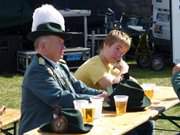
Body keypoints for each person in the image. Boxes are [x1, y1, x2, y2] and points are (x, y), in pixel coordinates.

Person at [18, 4, 108, 135]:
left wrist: (99, 94)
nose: (64, 47)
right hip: (37, 131)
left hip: (58, 128)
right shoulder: (37, 70)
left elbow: (78, 87)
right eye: (59, 42)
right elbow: (59, 99)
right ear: (43, 46)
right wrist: (94, 99)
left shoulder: (60, 65)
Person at [75, 30, 154, 135]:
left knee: (147, 123)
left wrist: (124, 74)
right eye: (117, 49)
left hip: (99, 112)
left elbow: (132, 83)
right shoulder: (95, 64)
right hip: (84, 116)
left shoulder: (109, 65)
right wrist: (124, 70)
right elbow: (114, 86)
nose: (119, 56)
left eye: (122, 53)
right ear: (106, 44)